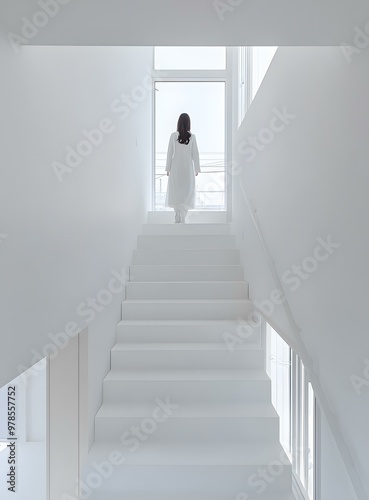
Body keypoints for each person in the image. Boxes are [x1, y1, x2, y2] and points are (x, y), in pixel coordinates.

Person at [164, 113, 201, 223]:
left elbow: (169, 153)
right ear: (189, 123)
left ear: (178, 123)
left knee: (176, 190)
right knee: (187, 191)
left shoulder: (173, 135)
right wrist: (197, 169)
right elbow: (195, 154)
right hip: (188, 168)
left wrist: (168, 168)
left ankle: (177, 214)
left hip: (176, 167)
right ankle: (183, 215)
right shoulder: (192, 137)